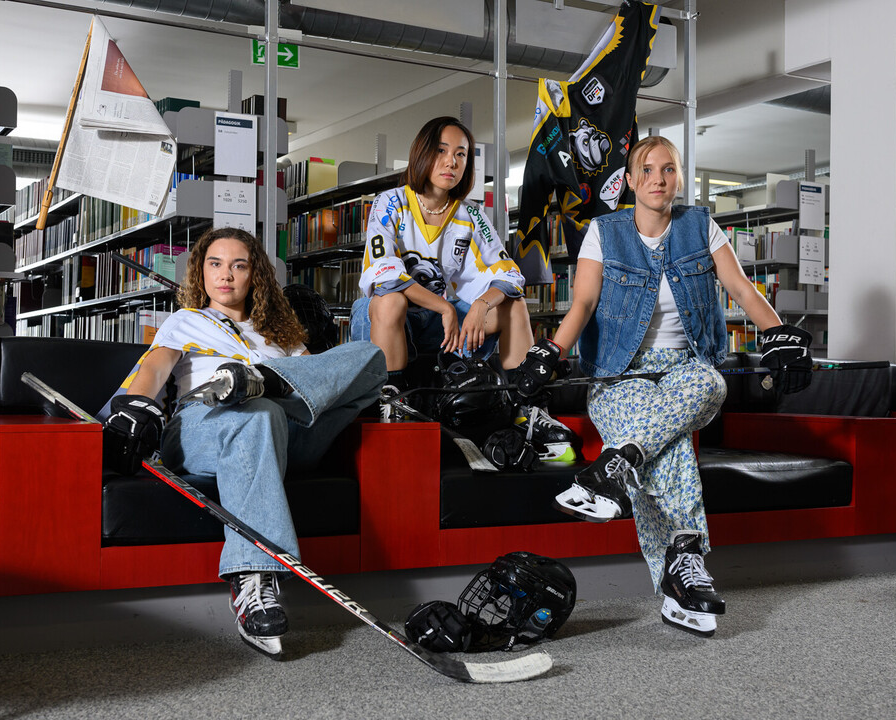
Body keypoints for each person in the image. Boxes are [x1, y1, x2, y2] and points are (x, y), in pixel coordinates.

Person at [512, 136, 814, 637]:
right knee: (669, 448)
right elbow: (583, 304)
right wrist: (552, 351)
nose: (658, 178)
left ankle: (614, 468)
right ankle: (684, 562)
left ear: (679, 178)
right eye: (647, 169)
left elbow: (740, 287)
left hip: (686, 369)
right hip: (620, 374)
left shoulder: (700, 226)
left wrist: (777, 334)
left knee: (710, 384)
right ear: (630, 181)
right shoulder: (604, 233)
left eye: (668, 169)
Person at [101, 227, 385, 657]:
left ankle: (257, 381)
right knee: (258, 413)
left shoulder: (279, 334)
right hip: (204, 425)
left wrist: (285, 378)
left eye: (239, 265)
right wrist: (137, 406)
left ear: (256, 275)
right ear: (201, 271)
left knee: (369, 355)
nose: (226, 275)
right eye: (215, 264)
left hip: (288, 431)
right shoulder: (186, 320)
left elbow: (321, 381)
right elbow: (153, 372)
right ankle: (252, 578)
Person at [350, 115, 576, 464]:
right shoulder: (389, 202)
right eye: (442, 151)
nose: (451, 162)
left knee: (512, 305)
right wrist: (443, 308)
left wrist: (482, 304)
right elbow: (385, 275)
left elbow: (510, 273)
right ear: (423, 153)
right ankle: (392, 404)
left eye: (461, 154)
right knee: (392, 299)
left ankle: (526, 407)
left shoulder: (471, 216)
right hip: (385, 316)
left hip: (442, 322)